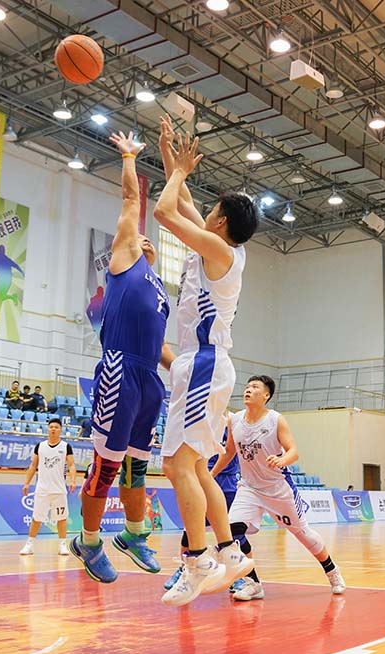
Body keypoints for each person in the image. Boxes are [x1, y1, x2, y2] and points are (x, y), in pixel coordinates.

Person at [153, 115, 259, 606]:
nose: (206, 212)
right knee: (195, 468)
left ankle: (198, 560)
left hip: (203, 363)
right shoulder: (218, 244)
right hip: (205, 364)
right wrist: (172, 160)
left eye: (212, 211)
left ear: (220, 224)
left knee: (177, 464)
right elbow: (183, 203)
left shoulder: (217, 249)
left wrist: (178, 174)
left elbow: (163, 210)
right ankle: (230, 552)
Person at [69, 130, 175, 584]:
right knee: (106, 466)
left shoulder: (159, 289)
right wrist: (130, 157)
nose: (142, 241)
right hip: (120, 369)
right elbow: (132, 200)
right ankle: (89, 541)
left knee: (137, 466)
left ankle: (133, 533)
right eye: (138, 237)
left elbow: (160, 346)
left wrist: (184, 370)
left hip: (150, 377)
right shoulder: (123, 260)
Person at [211, 376, 345, 601]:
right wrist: (211, 475)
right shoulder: (235, 420)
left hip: (278, 489)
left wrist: (282, 460)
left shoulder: (275, 420)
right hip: (249, 488)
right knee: (231, 531)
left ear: (266, 395)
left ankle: (332, 572)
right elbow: (229, 451)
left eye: (255, 387)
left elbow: (293, 451)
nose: (248, 390)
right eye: (247, 387)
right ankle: (253, 584)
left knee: (303, 535)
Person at [164, 426, 240, 591]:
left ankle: (235, 573)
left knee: (231, 529)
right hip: (199, 476)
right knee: (190, 530)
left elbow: (230, 451)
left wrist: (211, 473)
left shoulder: (230, 421)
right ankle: (185, 568)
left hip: (223, 480)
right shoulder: (202, 422)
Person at [20, 418, 77, 556]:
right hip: (42, 489)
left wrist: (73, 481)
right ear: (48, 429)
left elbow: (71, 465)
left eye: (56, 427)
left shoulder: (66, 446)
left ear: (60, 430)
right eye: (51, 427)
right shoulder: (40, 446)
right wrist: (27, 482)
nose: (53, 429)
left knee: (61, 518)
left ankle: (62, 545)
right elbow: (33, 465)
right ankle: (29, 545)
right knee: (37, 518)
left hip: (59, 489)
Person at [0, 244, 24, 322]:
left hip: (6, 278)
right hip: (3, 277)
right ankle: (12, 297)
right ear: (0, 250)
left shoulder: (3, 258)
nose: (2, 251)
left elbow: (16, 266)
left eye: (3, 250)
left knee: (0, 296)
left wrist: (22, 273)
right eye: (2, 250)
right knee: (1, 295)